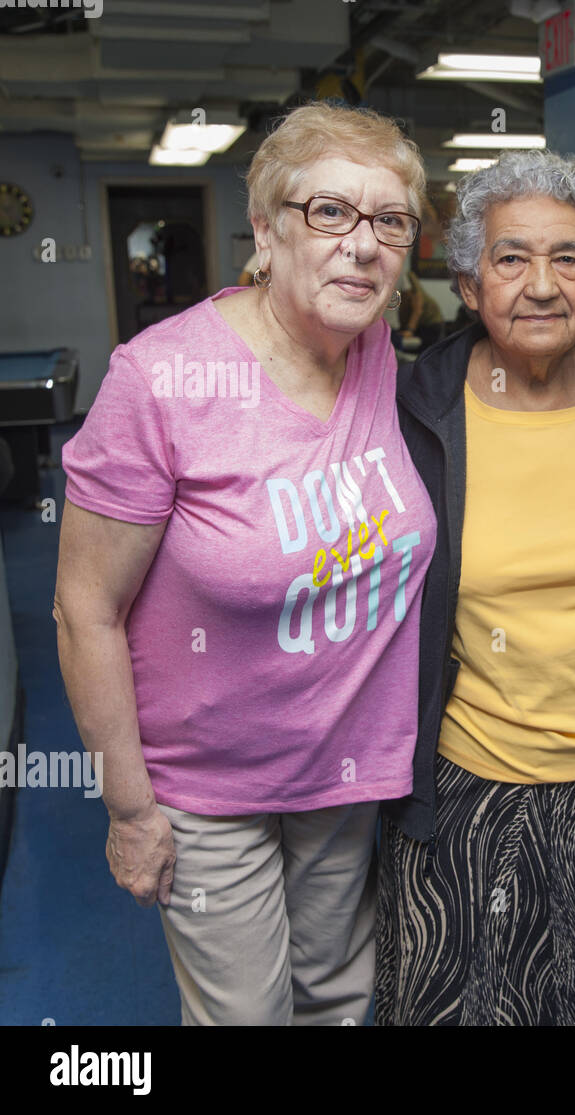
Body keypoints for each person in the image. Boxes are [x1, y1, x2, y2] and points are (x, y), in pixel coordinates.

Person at [52, 102, 437, 1025]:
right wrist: (130, 809)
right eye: (330, 213)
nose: (362, 245)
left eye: (389, 221)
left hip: (346, 773)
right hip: (206, 787)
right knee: (247, 1016)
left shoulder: (383, 355)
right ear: (265, 231)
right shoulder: (162, 379)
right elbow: (83, 609)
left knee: (342, 1000)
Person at [373, 150, 575, 1026]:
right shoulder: (412, 410)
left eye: (568, 258)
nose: (542, 285)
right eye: (511, 258)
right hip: (465, 783)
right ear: (467, 282)